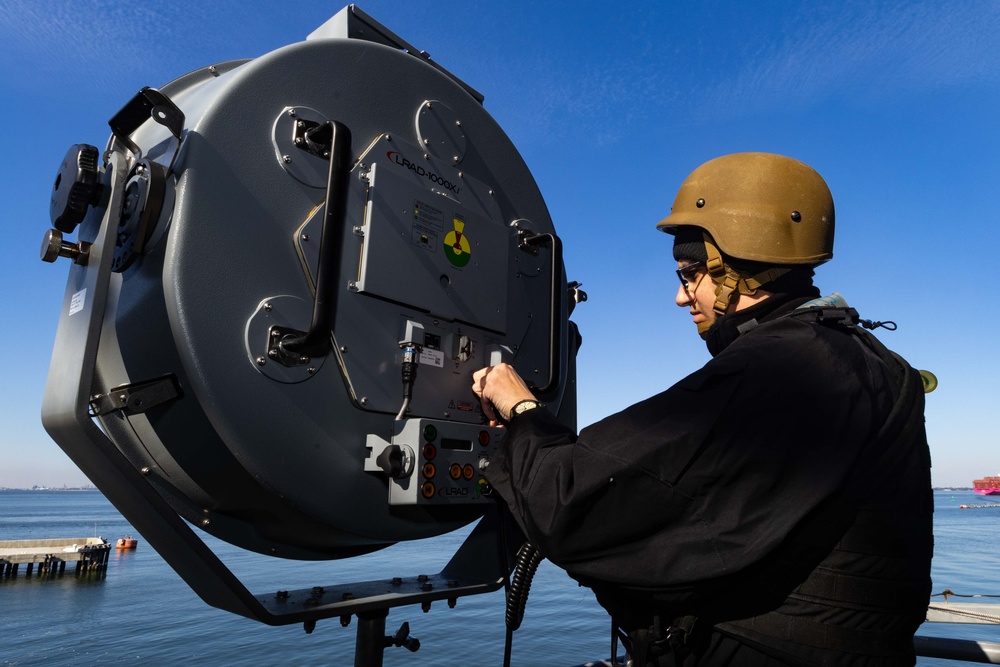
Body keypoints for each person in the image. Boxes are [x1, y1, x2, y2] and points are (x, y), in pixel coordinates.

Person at [472, 152, 932, 666]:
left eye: (690, 273)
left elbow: (577, 500)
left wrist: (523, 411)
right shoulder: (868, 361)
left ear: (740, 268)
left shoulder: (780, 368)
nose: (679, 296)